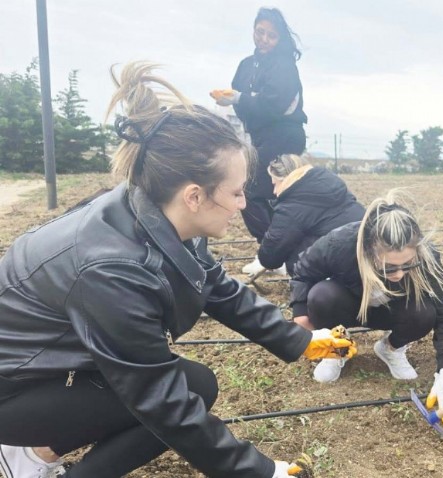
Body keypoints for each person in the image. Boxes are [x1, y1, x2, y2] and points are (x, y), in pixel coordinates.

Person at [0, 62, 354, 478]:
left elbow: (217, 287)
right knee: (169, 400)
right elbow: (161, 400)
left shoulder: (155, 211)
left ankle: (28, 456)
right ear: (194, 196)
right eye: (237, 192)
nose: (244, 204)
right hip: (15, 388)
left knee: (197, 385)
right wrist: (260, 471)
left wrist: (302, 340)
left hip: (53, 365)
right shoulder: (112, 269)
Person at [288, 190, 443, 425]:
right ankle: (337, 348)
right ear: (371, 249)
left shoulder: (426, 257)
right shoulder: (340, 243)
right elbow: (303, 271)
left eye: (407, 265)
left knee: (425, 311)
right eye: (390, 267)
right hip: (348, 304)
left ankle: (391, 349)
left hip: (393, 310)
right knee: (321, 296)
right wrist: (300, 315)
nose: (400, 273)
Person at [211, 7, 308, 276]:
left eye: (272, 35)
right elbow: (245, 106)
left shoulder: (285, 66)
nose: (264, 39)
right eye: (260, 32)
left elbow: (274, 104)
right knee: (267, 196)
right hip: (260, 136)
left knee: (251, 189)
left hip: (285, 135)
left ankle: (272, 255)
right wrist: (234, 101)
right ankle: (283, 256)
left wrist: (242, 99)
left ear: (281, 39)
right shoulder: (245, 65)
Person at [255, 154, 366, 277]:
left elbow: (270, 257)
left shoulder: (292, 204)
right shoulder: (330, 183)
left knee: (295, 257)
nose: (274, 191)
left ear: (285, 179)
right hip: (369, 251)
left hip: (342, 265)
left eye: (275, 184)